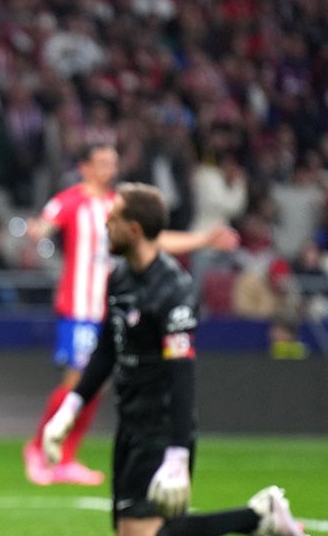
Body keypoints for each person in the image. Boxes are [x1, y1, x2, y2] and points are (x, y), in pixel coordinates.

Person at [42, 183, 312, 536]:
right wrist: (69, 410)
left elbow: (182, 374)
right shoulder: (119, 278)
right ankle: (256, 517)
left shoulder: (173, 290)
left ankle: (257, 515)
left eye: (114, 217)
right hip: (131, 417)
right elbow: (107, 350)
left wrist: (177, 455)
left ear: (134, 229)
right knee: (130, 535)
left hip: (160, 422)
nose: (106, 223)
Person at [23, 143, 237, 486]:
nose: (109, 168)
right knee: (77, 380)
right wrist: (37, 231)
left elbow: (155, 240)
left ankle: (64, 457)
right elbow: (45, 224)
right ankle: (38, 449)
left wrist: (203, 240)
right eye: (102, 162)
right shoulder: (71, 200)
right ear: (85, 167)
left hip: (109, 307)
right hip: (79, 306)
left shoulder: (118, 206)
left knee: (96, 384)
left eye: (113, 162)